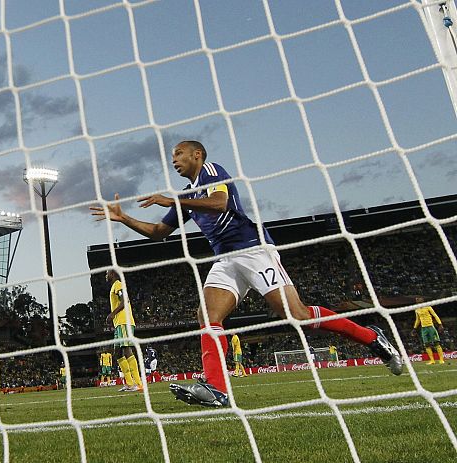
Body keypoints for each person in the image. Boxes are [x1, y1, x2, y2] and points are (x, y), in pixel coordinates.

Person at [90, 140, 402, 407]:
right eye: (172, 156)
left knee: (297, 314)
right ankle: (217, 389)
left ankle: (373, 338)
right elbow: (159, 231)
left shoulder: (212, 173)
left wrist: (172, 200)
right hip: (225, 259)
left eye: (179, 154)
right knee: (207, 316)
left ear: (197, 155)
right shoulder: (187, 195)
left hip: (253, 250)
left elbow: (220, 203)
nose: (174, 160)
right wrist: (124, 218)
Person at [105, 269, 143, 392]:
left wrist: (112, 314)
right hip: (118, 324)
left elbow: (124, 301)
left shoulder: (118, 284)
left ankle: (138, 383)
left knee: (127, 349)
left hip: (124, 321)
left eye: (107, 273)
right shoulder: (114, 287)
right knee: (117, 352)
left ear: (113, 274)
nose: (106, 275)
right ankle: (129, 383)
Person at [411, 297, 445, 365]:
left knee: (436, 343)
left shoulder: (428, 307)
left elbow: (435, 315)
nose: (417, 300)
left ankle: (441, 360)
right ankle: (432, 360)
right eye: (416, 299)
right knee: (426, 345)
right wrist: (414, 328)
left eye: (418, 299)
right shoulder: (417, 310)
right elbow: (418, 320)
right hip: (423, 329)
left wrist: (440, 324)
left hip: (431, 327)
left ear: (422, 300)